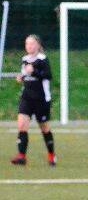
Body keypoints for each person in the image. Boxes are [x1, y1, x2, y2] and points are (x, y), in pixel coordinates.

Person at [11, 34, 56, 166]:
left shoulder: (43, 59)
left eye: (31, 44)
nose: (29, 46)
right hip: (27, 97)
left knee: (45, 128)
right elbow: (26, 75)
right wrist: (21, 77)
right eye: (27, 44)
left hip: (41, 99)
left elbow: (48, 75)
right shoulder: (24, 59)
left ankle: (51, 155)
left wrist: (34, 71)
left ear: (37, 45)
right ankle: (21, 156)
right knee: (22, 125)